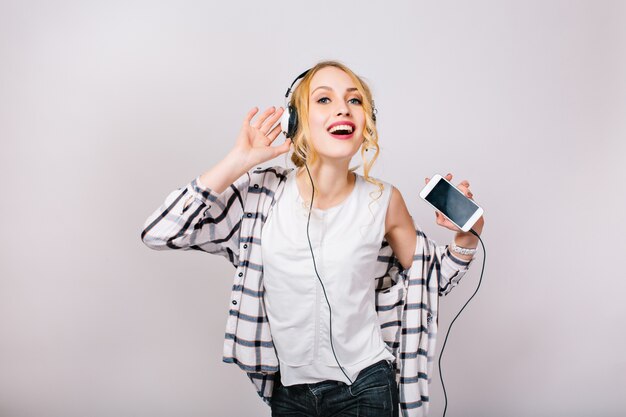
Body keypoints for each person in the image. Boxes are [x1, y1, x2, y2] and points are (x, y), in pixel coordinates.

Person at [141, 60, 484, 417]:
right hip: (290, 394)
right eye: (323, 99)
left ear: (367, 121)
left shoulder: (384, 200)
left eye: (355, 101)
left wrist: (468, 235)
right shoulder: (262, 194)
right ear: (297, 121)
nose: (342, 108)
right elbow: (159, 232)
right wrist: (238, 161)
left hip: (367, 385)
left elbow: (431, 279)